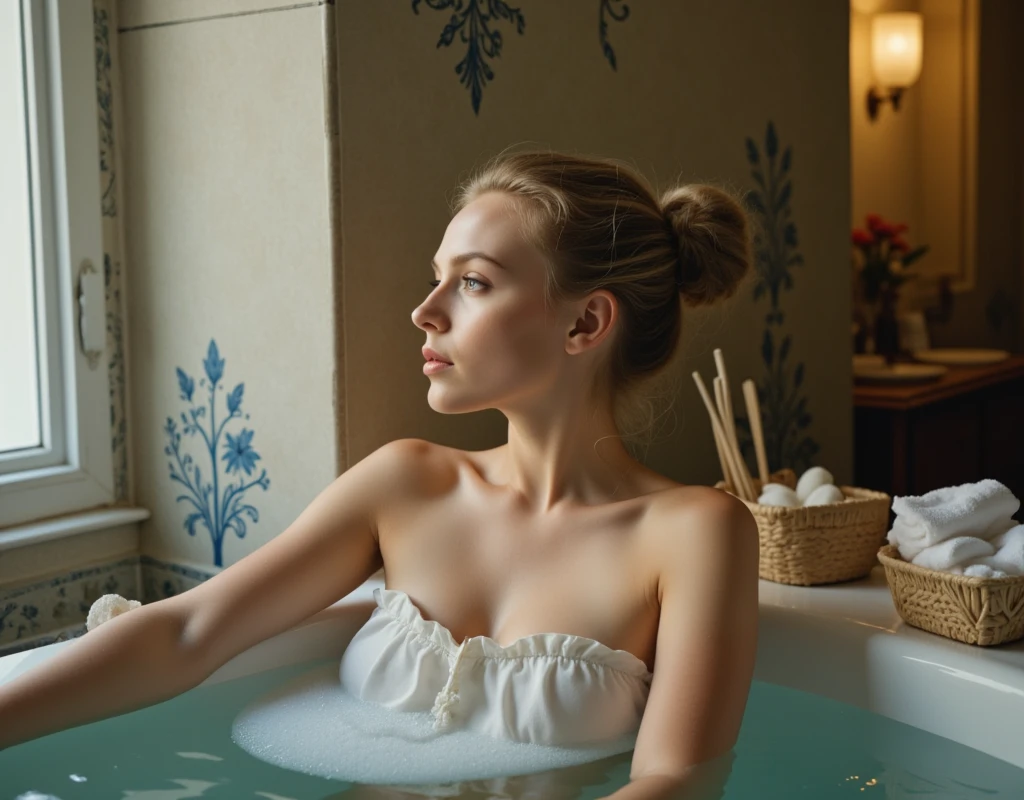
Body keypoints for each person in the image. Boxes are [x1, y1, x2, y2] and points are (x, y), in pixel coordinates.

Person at [0, 149, 760, 800]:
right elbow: (189, 630)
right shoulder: (406, 484)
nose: (424, 311)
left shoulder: (695, 532)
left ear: (586, 323)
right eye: (439, 277)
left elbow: (674, 781)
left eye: (474, 282)